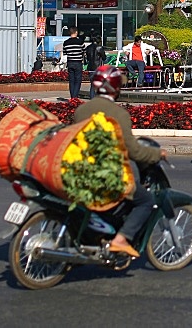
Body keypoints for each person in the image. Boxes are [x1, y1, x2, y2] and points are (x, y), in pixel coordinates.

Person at [72, 65, 167, 258]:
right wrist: (157, 154)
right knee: (146, 201)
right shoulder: (119, 114)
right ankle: (121, 239)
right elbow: (133, 151)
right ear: (116, 88)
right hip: (107, 177)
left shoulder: (81, 111)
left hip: (80, 173)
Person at [61, 27, 86, 99]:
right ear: (76, 32)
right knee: (78, 80)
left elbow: (65, 53)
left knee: (71, 80)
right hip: (78, 62)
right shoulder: (80, 42)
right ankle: (75, 96)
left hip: (70, 62)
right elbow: (83, 51)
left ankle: (72, 96)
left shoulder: (65, 43)